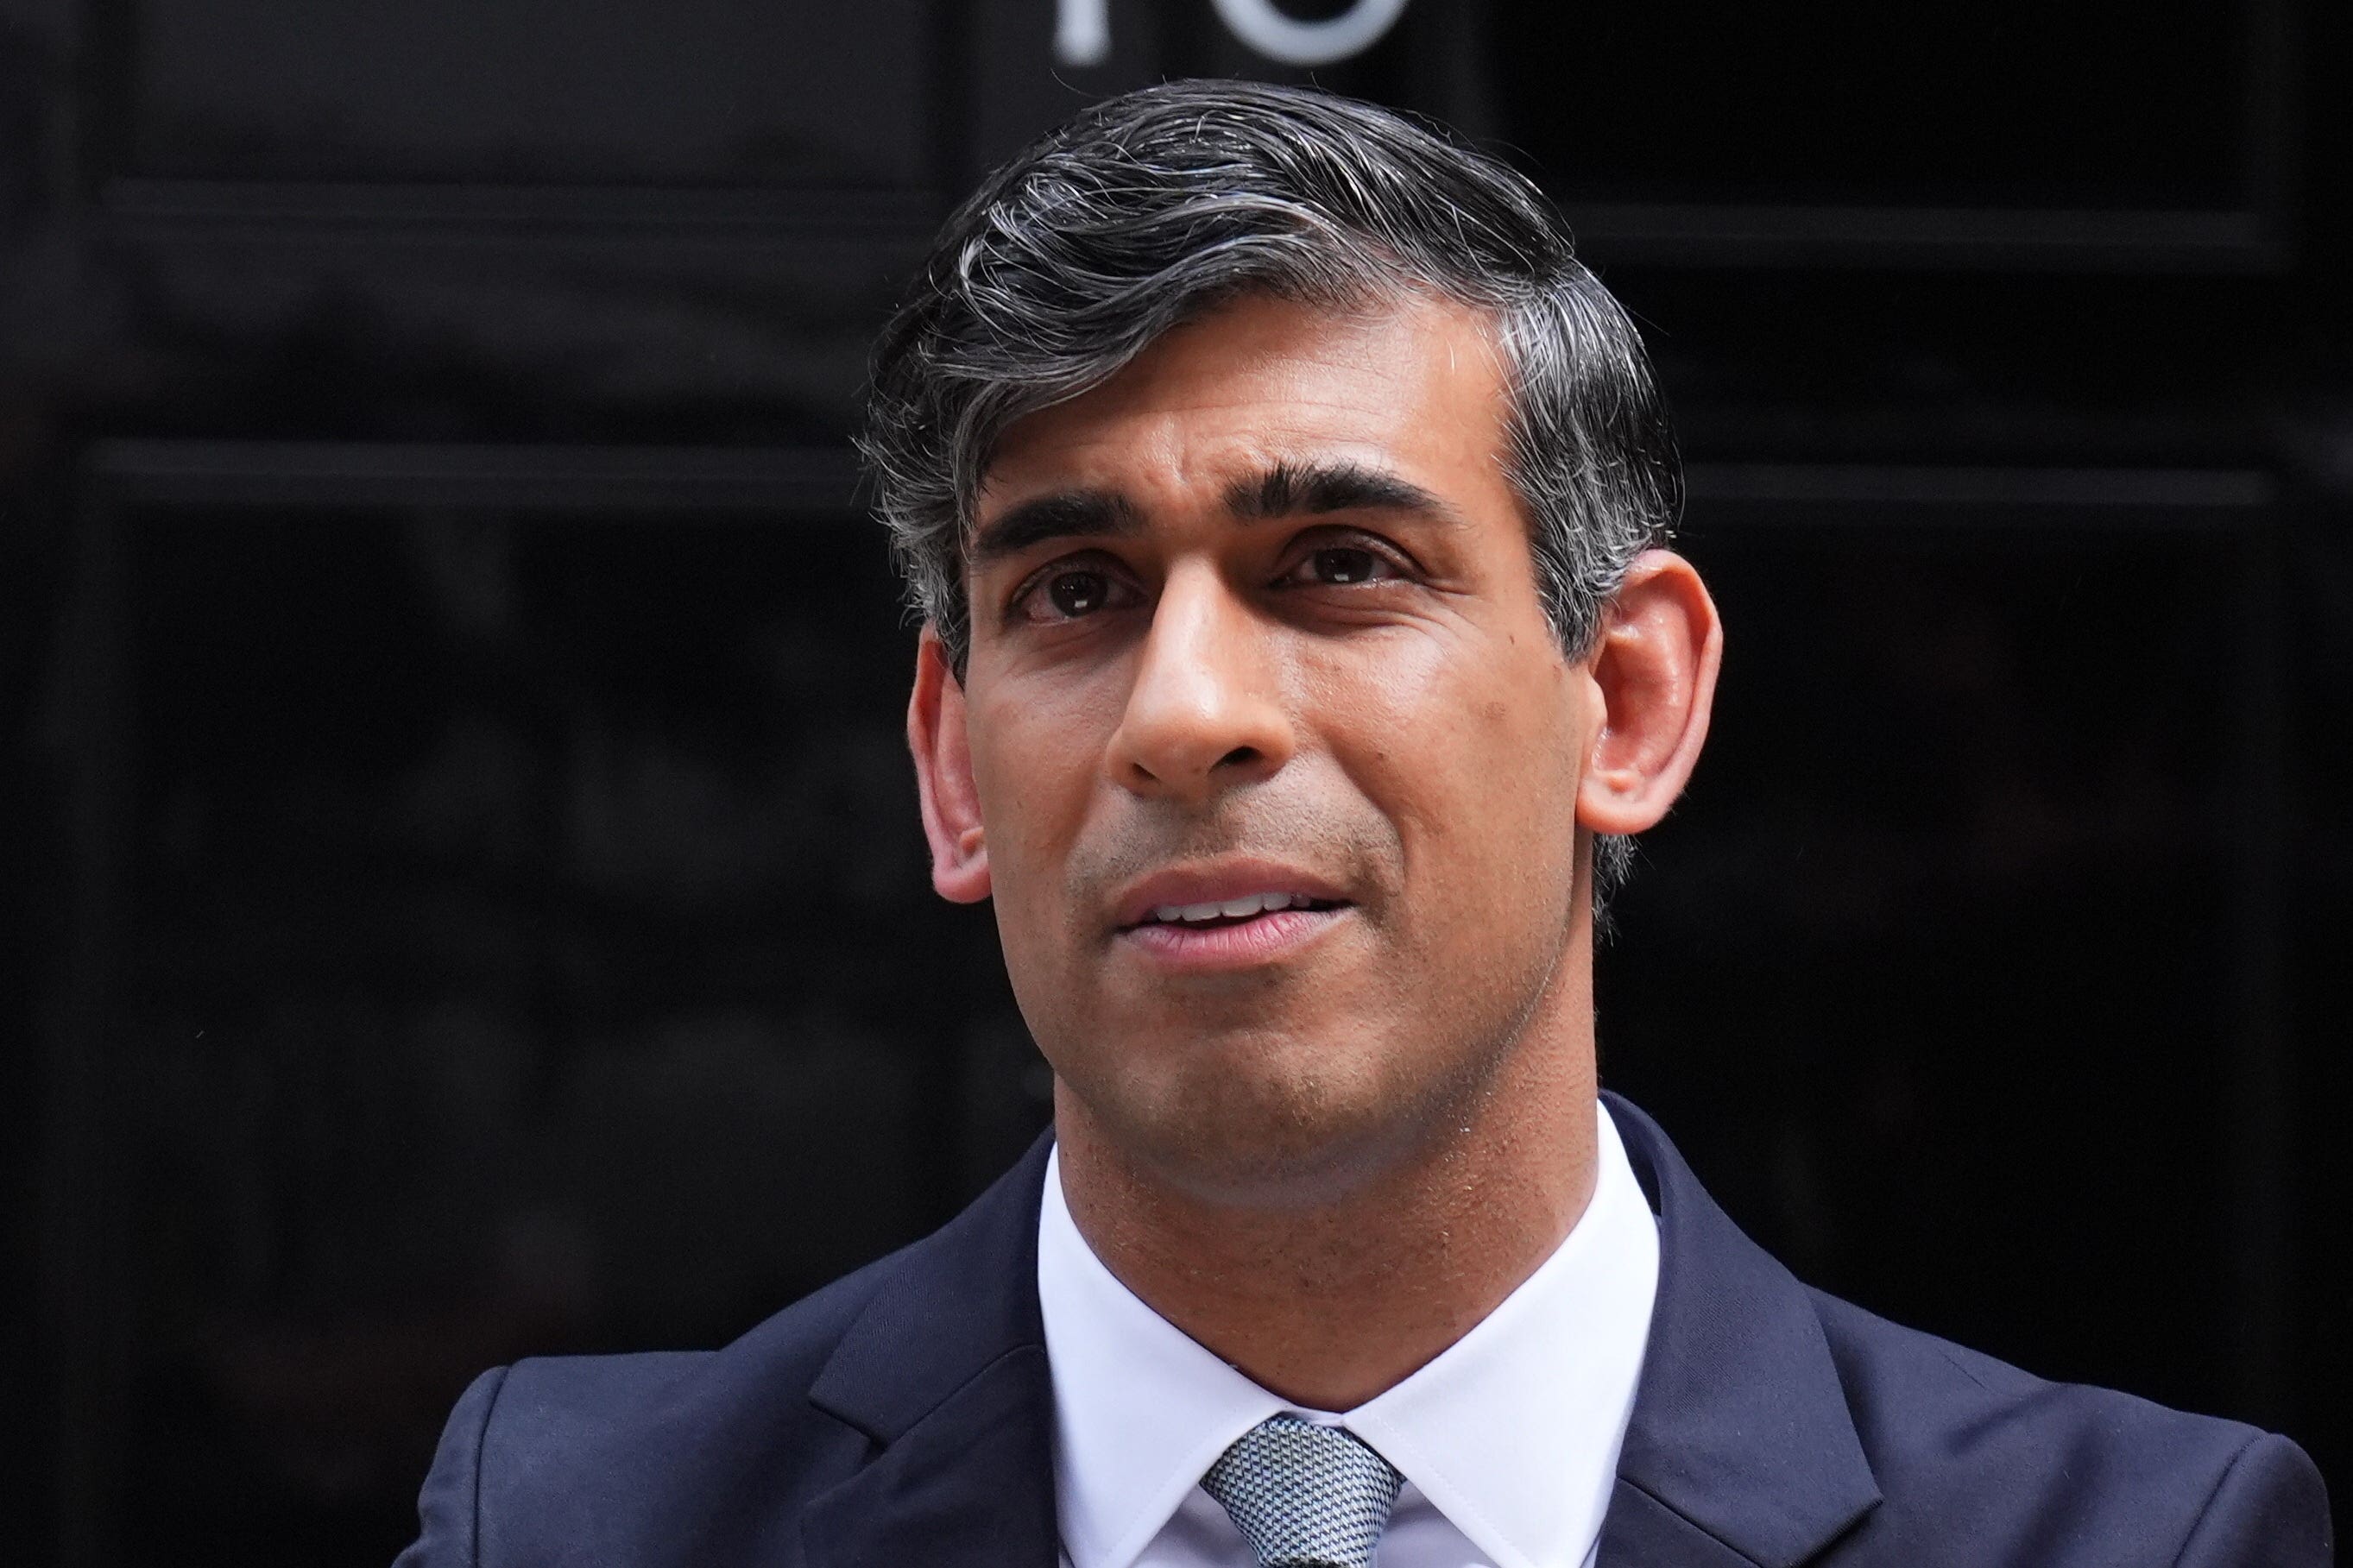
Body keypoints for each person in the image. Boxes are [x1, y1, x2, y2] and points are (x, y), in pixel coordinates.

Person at [394, 80, 2331, 1567]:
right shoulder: (579, 1531)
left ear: (1629, 698)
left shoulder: (2130, 1542)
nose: (1186, 716)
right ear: (955, 765)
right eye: (1073, 590)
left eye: (1334, 563)